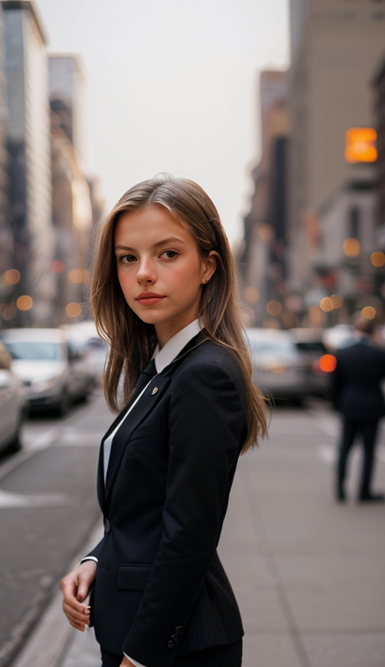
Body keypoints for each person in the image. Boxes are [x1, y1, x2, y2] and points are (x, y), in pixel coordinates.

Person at [61, 175, 268, 667]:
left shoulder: (204, 374)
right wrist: (97, 558)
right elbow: (144, 509)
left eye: (168, 254)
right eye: (128, 257)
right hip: (135, 623)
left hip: (172, 645)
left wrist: (141, 656)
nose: (143, 274)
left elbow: (188, 538)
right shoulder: (158, 366)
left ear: (207, 266)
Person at [333, 312, 385, 503]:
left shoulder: (342, 353)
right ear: (374, 331)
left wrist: (338, 405)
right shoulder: (380, 354)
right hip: (372, 407)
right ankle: (364, 491)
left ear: (354, 329)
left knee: (344, 449)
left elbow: (335, 384)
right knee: (368, 451)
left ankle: (340, 490)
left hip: (349, 405)